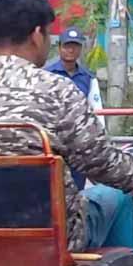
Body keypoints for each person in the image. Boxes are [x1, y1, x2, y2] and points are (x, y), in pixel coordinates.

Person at [0, 0, 133, 252]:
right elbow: (106, 166)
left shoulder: (75, 81)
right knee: (114, 197)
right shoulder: (56, 91)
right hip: (50, 240)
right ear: (37, 35)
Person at [45, 25, 101, 188]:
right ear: (60, 48)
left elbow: (97, 111)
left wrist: (97, 139)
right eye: (67, 46)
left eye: (75, 46)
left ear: (80, 49)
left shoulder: (88, 78)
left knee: (77, 188)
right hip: (55, 141)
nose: (70, 50)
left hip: (79, 142)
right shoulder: (47, 75)